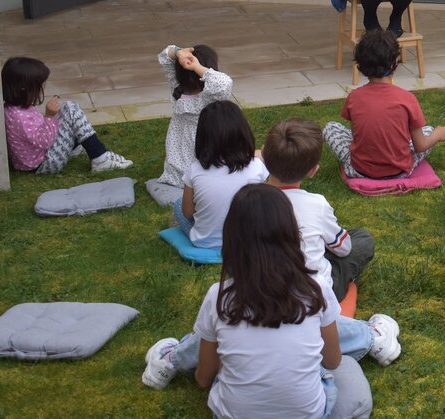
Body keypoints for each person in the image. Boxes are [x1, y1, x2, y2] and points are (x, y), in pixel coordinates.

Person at [141, 184, 373, 419]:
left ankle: (172, 357)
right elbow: (332, 360)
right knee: (349, 374)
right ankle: (373, 335)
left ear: (232, 238)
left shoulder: (218, 295)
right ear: (292, 232)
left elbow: (203, 379)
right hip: (308, 412)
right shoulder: (317, 287)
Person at [262, 118, 381, 315]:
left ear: (264, 154)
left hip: (262, 287)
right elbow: (344, 249)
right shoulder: (317, 204)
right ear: (313, 170)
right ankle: (345, 283)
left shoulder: (246, 200)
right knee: (362, 240)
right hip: (316, 293)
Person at [324, 29, 445, 179]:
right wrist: (438, 135)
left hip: (359, 170)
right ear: (394, 63)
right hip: (399, 171)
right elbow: (420, 145)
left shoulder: (354, 97)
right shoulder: (407, 98)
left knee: (331, 127)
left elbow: (356, 136)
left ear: (360, 66)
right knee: (428, 130)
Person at [2, 56, 131, 174]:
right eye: (39, 86)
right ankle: (100, 159)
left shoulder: (13, 109)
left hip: (38, 156)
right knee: (70, 109)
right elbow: (44, 142)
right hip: (44, 164)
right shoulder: (19, 117)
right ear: (25, 88)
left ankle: (74, 146)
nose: (42, 88)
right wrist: (49, 116)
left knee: (66, 108)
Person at [173, 101, 269, 250]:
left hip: (206, 243)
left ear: (203, 137)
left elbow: (187, 212)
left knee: (179, 204)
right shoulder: (257, 167)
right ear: (243, 132)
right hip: (249, 241)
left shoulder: (195, 170)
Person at [157, 43, 233, 187]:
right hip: (205, 165)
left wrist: (179, 53)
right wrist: (197, 67)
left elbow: (166, 54)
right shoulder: (210, 96)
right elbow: (223, 82)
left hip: (179, 168)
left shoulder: (177, 89)